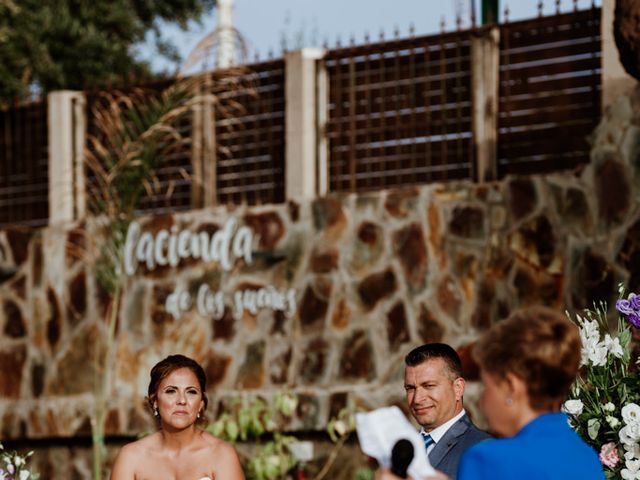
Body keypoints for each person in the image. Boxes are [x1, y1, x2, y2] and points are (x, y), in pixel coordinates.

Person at [376, 306, 604, 480]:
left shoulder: (490, 460)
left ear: (511, 387)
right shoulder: (586, 458)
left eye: (487, 386)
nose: (483, 401)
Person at [111, 354, 245, 480]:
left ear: (200, 404)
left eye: (191, 392)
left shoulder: (221, 455)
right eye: (171, 391)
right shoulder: (131, 457)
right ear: (155, 401)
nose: (182, 400)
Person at [403, 343, 490, 479]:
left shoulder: (482, 450)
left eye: (429, 386)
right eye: (410, 388)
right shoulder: (402, 447)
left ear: (458, 388)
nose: (417, 399)